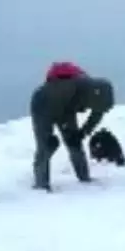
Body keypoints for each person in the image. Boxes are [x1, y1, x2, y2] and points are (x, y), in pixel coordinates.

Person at [28, 64, 114, 192]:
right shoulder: (72, 86)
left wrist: (82, 133)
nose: (99, 111)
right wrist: (50, 136)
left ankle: (84, 177)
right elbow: (53, 102)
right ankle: (41, 184)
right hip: (43, 105)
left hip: (67, 108)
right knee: (45, 146)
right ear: (95, 96)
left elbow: (96, 115)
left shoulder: (98, 94)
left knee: (75, 143)